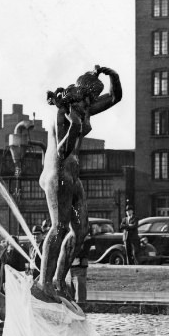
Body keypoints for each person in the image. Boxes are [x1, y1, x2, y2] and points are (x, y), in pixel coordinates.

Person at [38, 64, 121, 302]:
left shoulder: (82, 109)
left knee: (81, 230)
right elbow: (63, 150)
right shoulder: (63, 113)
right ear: (82, 96)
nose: (91, 106)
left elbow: (116, 97)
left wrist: (112, 75)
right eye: (89, 100)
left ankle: (59, 280)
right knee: (59, 228)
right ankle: (43, 283)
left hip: (73, 178)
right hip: (58, 175)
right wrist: (74, 126)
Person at [68, 232, 92, 303]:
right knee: (70, 293)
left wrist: (71, 252)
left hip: (80, 267)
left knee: (80, 293)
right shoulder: (69, 237)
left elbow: (84, 252)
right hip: (70, 268)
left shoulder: (86, 239)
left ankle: (81, 307)